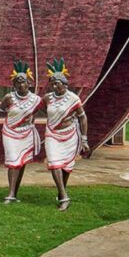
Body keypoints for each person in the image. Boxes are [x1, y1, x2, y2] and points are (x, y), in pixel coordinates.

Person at [41, 58, 89, 210]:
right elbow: (41, 109)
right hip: (52, 134)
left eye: (57, 83)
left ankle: (61, 192)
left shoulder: (73, 99)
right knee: (54, 163)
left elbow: (82, 117)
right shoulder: (48, 98)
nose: (54, 86)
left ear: (65, 84)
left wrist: (84, 138)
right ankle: (64, 198)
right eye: (52, 83)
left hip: (69, 136)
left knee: (66, 166)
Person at [0, 60, 43, 203]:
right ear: (14, 84)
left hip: (26, 133)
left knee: (22, 162)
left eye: (23, 81)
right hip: (10, 132)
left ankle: (14, 193)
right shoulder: (8, 98)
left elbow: (39, 113)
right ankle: (10, 194)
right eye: (17, 81)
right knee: (13, 161)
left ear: (29, 83)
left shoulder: (36, 100)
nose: (20, 84)